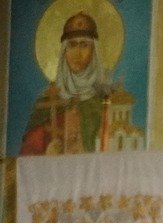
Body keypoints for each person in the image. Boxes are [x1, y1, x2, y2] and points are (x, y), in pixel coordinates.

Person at [18, 10, 137, 156]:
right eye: (72, 45)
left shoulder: (108, 98)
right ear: (64, 51)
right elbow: (28, 154)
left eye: (84, 45)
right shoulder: (48, 99)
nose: (77, 53)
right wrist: (46, 153)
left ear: (94, 50)